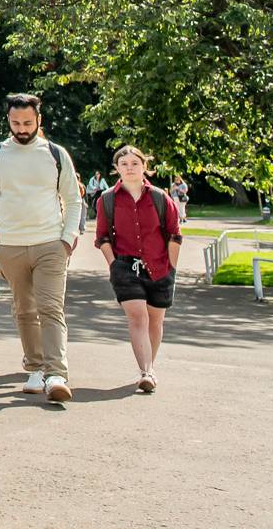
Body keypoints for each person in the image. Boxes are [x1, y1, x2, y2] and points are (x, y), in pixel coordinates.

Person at [0, 93, 84, 404]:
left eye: (27, 122)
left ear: (39, 120)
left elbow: (73, 199)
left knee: (51, 308)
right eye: (15, 123)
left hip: (51, 243)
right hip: (10, 245)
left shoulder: (55, 154)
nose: (21, 128)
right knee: (24, 309)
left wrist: (67, 238)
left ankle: (57, 374)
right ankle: (35, 367)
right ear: (8, 121)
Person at [95, 146, 182, 393]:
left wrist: (171, 268)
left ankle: (149, 368)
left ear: (144, 166)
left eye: (135, 163)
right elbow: (102, 237)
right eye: (124, 164)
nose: (130, 167)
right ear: (117, 169)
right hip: (125, 266)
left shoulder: (159, 197)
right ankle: (146, 371)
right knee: (137, 317)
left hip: (159, 266)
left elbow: (175, 234)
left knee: (155, 320)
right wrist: (114, 264)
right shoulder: (107, 199)